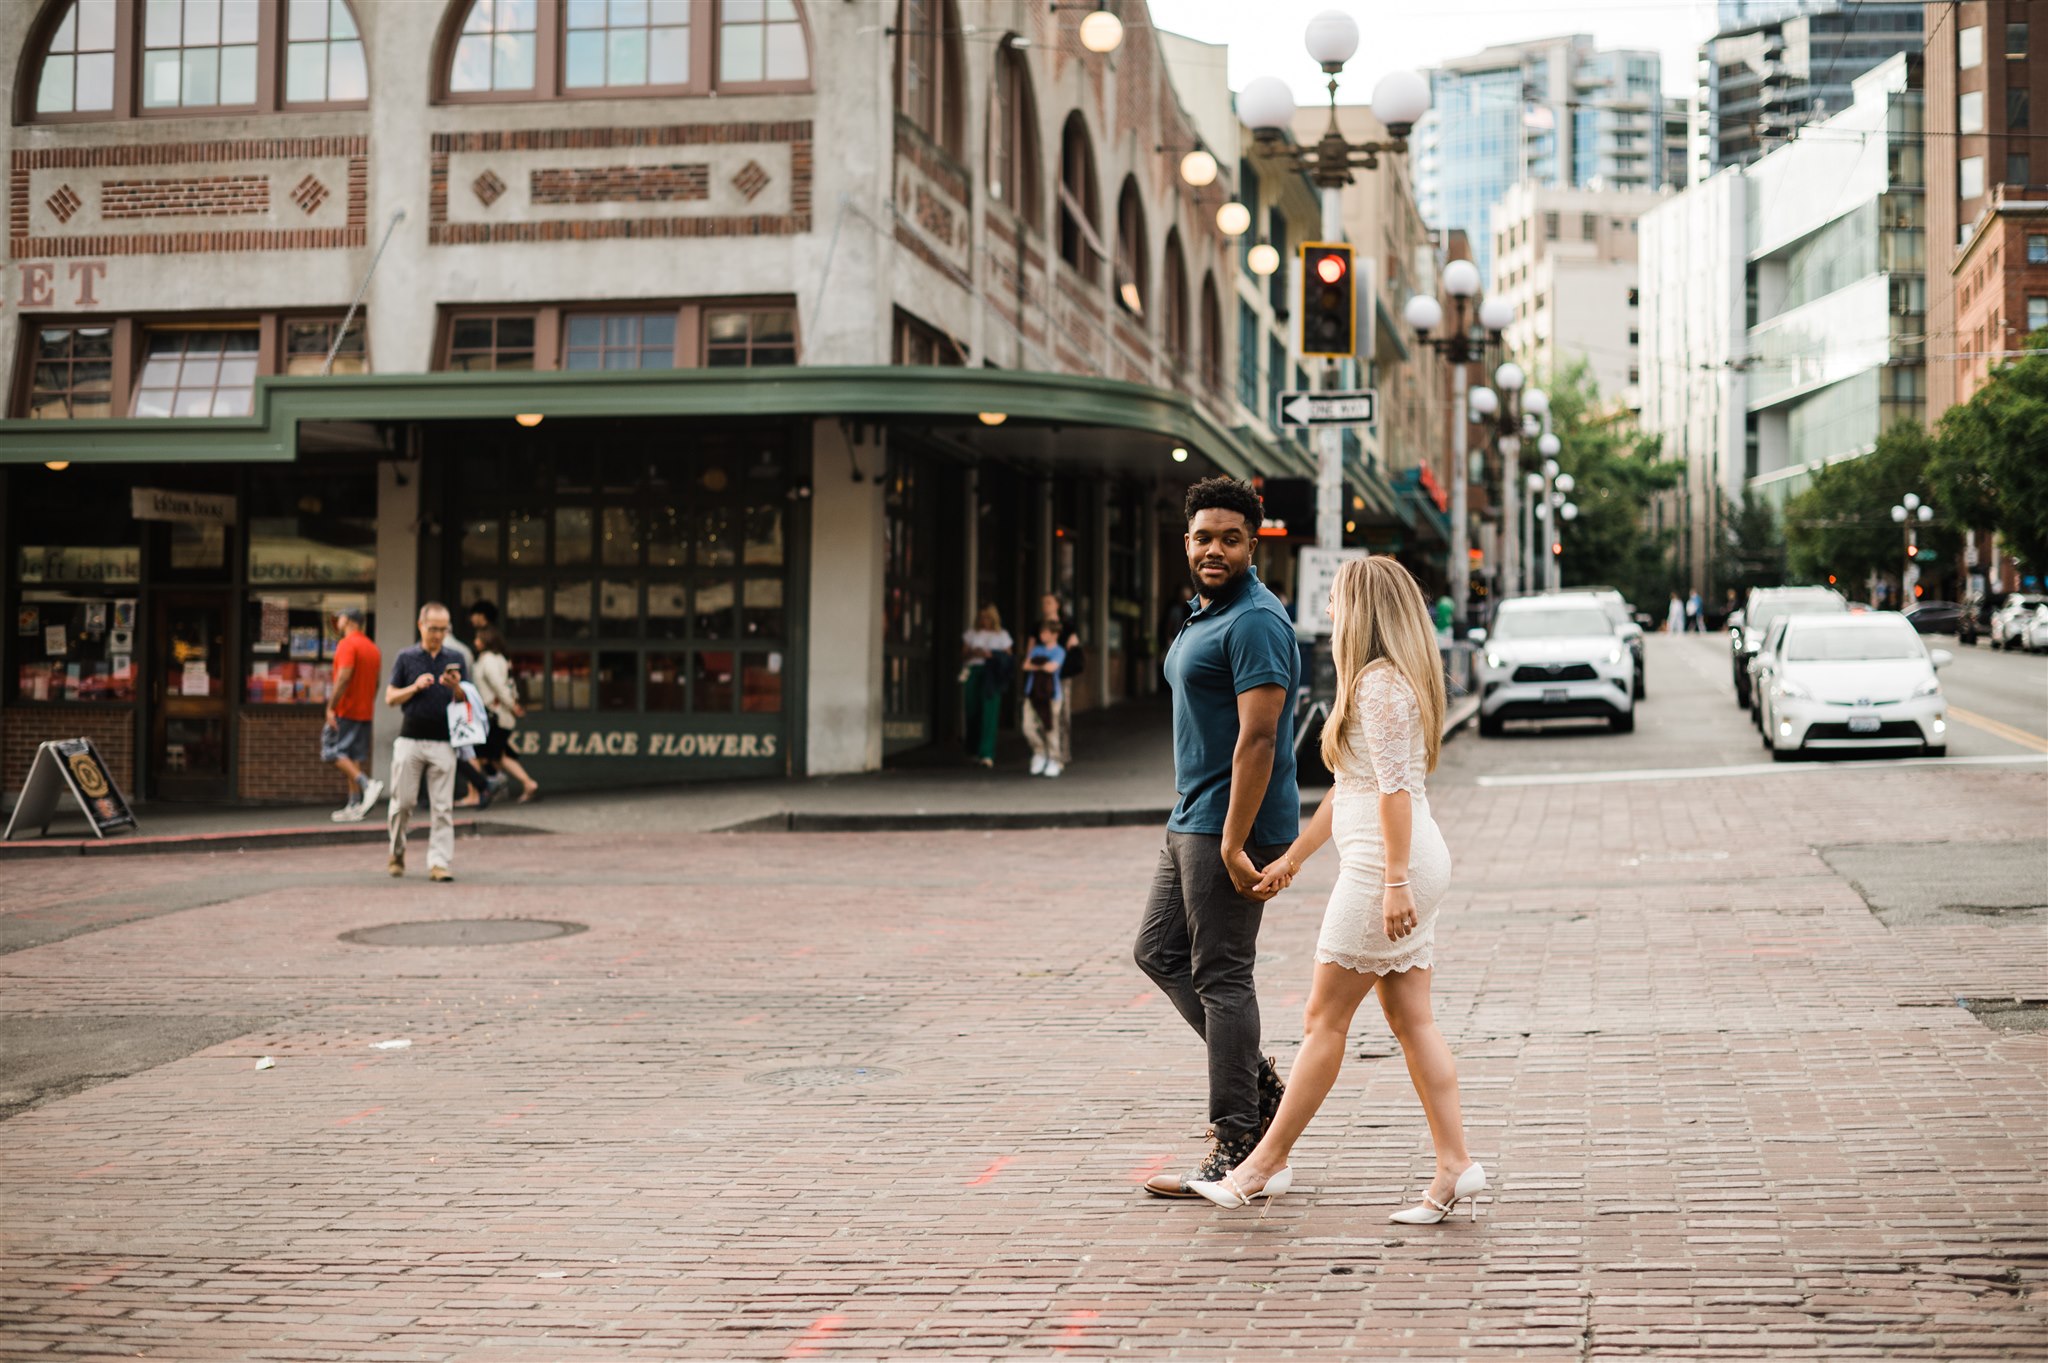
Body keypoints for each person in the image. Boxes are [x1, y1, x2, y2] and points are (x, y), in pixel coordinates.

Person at [1190, 555, 1485, 1224]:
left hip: (1389, 866)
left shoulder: (1380, 686)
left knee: (1324, 1020)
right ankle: (1454, 1165)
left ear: (1363, 610)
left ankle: (1261, 1166)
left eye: (1335, 600)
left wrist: (1394, 881)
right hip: (1397, 861)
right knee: (1414, 1021)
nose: (1326, 610)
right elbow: (1348, 791)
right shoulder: (1380, 681)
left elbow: (1393, 791)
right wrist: (1294, 857)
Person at [1134, 477, 1300, 1196]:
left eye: (1231, 537)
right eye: (1203, 536)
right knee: (1157, 951)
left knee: (1222, 975)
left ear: (1252, 542)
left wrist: (1235, 842)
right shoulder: (1204, 612)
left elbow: (1260, 737)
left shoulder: (1257, 619)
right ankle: (1261, 1087)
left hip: (1230, 821)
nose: (1214, 548)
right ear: (1186, 541)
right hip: (1191, 814)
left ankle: (1240, 1144)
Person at [384, 602, 468, 882]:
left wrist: (456, 687)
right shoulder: (406, 657)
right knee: (403, 802)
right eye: (433, 629)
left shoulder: (455, 657)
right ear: (421, 625)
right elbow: (390, 698)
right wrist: (415, 686)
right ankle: (397, 851)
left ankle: (439, 862)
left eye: (443, 630)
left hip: (443, 741)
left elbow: (465, 701)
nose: (438, 635)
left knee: (443, 807)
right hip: (411, 739)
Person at [322, 606, 383, 822]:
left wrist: (331, 706)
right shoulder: (372, 648)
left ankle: (367, 785)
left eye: (339, 618)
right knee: (352, 757)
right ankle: (354, 803)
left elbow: (344, 677)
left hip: (345, 709)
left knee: (332, 750)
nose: (337, 622)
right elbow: (377, 683)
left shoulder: (347, 644)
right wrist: (367, 703)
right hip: (364, 710)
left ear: (348, 620)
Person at [469, 625, 538, 803]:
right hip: (499, 714)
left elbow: (499, 686)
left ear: (486, 640)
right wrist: (513, 703)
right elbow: (509, 684)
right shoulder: (500, 659)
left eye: (478, 638)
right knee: (498, 754)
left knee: (485, 754)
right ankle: (514, 783)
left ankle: (490, 786)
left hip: (494, 715)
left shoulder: (489, 660)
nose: (475, 642)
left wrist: (512, 705)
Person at [960, 605, 1013, 769]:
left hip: (991, 674)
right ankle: (974, 750)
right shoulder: (972, 634)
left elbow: (1009, 656)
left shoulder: (1002, 635)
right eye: (982, 617)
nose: (985, 620)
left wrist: (991, 654)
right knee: (972, 710)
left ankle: (987, 753)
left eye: (988, 617)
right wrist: (974, 653)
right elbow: (963, 653)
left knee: (989, 712)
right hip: (973, 670)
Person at [1021, 618, 1068, 777]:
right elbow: (1025, 665)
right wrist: (1042, 664)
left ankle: (1054, 758)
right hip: (1032, 692)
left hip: (1052, 695)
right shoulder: (1036, 649)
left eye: (1046, 632)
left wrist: (1037, 665)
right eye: (1041, 632)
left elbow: (1051, 668)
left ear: (1055, 635)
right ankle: (1040, 752)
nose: (1042, 635)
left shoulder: (1059, 651)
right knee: (1028, 727)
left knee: (1050, 728)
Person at [1039, 592, 1083, 765]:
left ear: (1057, 605)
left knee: (1062, 715)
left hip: (1062, 676)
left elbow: (1074, 648)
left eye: (1048, 602)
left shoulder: (1067, 626)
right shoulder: (1038, 626)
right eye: (1043, 603)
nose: (1045, 606)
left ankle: (1063, 753)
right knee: (1045, 715)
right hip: (1042, 676)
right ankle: (1047, 753)